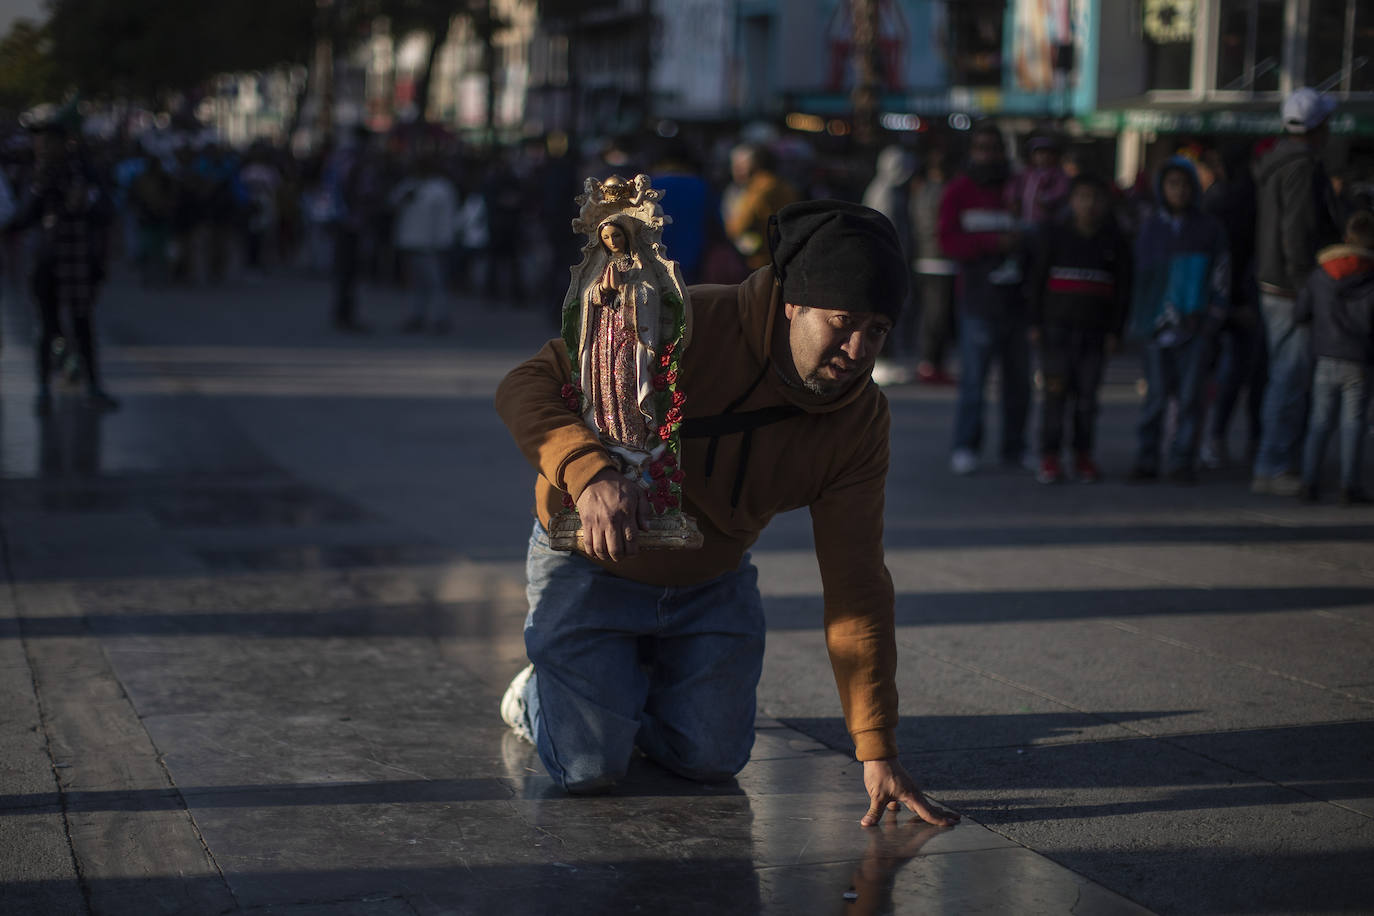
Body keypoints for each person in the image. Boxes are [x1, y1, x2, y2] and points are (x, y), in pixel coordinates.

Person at [494, 199, 960, 829]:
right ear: (793, 301)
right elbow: (526, 382)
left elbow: (857, 584)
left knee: (711, 758)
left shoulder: (860, 421)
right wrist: (589, 474)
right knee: (586, 769)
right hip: (593, 559)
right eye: (842, 321)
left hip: (709, 581)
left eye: (876, 330)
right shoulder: (685, 320)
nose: (856, 349)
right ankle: (537, 695)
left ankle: (624, 683)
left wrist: (875, 747)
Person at [1252, 88, 1341, 495]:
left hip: (1275, 284)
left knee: (1283, 378)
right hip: (1291, 288)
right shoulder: (1302, 167)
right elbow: (1298, 233)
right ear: (1317, 127)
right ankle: (1274, 466)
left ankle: (1274, 462)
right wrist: (1307, 287)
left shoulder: (1277, 162)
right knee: (1290, 380)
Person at [1127, 157, 1230, 484]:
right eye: (1173, 185)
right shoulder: (1150, 229)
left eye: (1185, 185)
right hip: (1156, 327)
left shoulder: (1209, 229)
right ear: (1161, 189)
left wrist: (1214, 313)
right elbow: (1138, 279)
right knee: (1155, 397)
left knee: (1190, 397)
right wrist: (1139, 320)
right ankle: (1147, 458)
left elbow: (1222, 273)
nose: (1180, 191)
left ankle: (1182, 459)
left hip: (1196, 324)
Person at [1026, 174, 1132, 484]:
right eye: (1083, 197)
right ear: (1071, 202)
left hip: (1095, 335)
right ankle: (1050, 456)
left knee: (1087, 400)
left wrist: (1116, 331)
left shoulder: (1115, 241)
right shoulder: (1054, 237)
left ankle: (1083, 455)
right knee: (1054, 397)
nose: (1089, 205)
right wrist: (1035, 323)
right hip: (1056, 333)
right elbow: (1036, 283)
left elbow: (1124, 290)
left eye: (1096, 198)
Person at [938, 125, 1030, 475]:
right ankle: (965, 446)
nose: (988, 154)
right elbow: (948, 242)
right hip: (977, 300)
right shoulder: (958, 190)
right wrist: (992, 243)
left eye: (994, 147)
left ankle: (1015, 448)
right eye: (981, 147)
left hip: (1017, 301)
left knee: (1018, 383)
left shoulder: (1018, 187)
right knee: (974, 383)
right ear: (971, 151)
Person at [11, 123, 118, 413]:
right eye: (41, 143)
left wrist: (84, 203)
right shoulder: (34, 175)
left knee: (82, 323)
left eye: (49, 142)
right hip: (46, 261)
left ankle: (93, 385)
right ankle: (44, 388)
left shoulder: (84, 173)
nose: (44, 148)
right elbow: (23, 216)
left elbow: (106, 211)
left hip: (79, 260)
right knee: (47, 326)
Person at [1297, 210, 1374, 505]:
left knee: (1319, 421)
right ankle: (1348, 486)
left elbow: (1301, 312)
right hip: (1359, 358)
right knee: (1353, 424)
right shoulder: (1370, 275)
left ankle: (1308, 482)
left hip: (1325, 354)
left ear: (1346, 237)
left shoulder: (1322, 273)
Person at [863, 145, 918, 386]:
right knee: (885, 311)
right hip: (885, 260)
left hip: (890, 258)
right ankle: (882, 361)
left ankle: (886, 359)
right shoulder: (885, 192)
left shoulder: (890, 189)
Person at [389, 156, 459, 333]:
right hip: (410, 242)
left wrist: (444, 241)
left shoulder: (441, 188)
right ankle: (416, 315)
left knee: (435, 282)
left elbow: (446, 218)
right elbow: (391, 202)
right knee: (415, 283)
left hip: (431, 244)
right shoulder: (408, 185)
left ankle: (439, 317)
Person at [911, 150, 956, 385]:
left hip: (926, 258)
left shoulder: (920, 191)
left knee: (932, 315)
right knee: (937, 317)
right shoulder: (946, 192)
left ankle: (932, 363)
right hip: (941, 260)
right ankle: (930, 363)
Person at [722, 144, 799, 271]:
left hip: (761, 262)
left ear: (754, 165)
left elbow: (737, 227)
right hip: (785, 256)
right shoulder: (786, 187)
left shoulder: (759, 188)